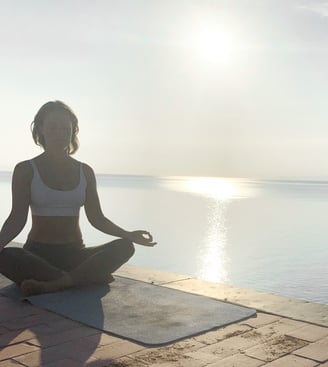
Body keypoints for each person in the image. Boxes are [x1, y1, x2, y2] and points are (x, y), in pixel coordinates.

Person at [0, 100, 156, 296]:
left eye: (65, 128)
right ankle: (82, 278)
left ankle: (55, 283)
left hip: (75, 253)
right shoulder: (25, 170)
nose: (59, 133)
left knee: (124, 246)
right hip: (37, 254)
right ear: (41, 129)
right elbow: (16, 218)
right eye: (53, 127)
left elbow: (97, 218)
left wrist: (128, 234)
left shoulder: (85, 171)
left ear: (73, 131)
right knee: (6, 256)